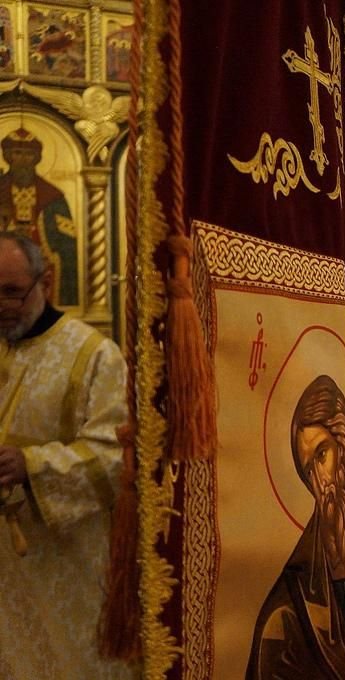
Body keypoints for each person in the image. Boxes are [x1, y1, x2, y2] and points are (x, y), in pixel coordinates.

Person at [0, 233, 132, 678]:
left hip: (65, 569)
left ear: (46, 282)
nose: (2, 306)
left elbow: (116, 454)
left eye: (12, 292)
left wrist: (32, 465)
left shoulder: (94, 356)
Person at [248, 375, 345, 679]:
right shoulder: (288, 608)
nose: (320, 482)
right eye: (308, 470)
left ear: (343, 446)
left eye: (322, 455)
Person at [0, 128, 79, 307]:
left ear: (36, 158)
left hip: (41, 260)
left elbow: (68, 244)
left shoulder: (52, 195)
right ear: (8, 156)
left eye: (28, 154)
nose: (22, 160)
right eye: (17, 153)